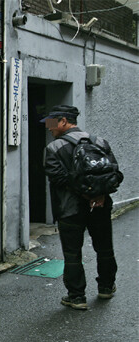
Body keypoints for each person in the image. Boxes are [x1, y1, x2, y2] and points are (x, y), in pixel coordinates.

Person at [41, 104, 123, 310]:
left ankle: (76, 297)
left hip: (70, 209)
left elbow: (58, 179)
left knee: (72, 253)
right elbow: (114, 174)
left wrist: (84, 193)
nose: (49, 128)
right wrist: (98, 194)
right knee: (104, 248)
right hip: (100, 205)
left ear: (63, 121)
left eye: (52, 123)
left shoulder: (53, 148)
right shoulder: (100, 142)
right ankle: (106, 287)